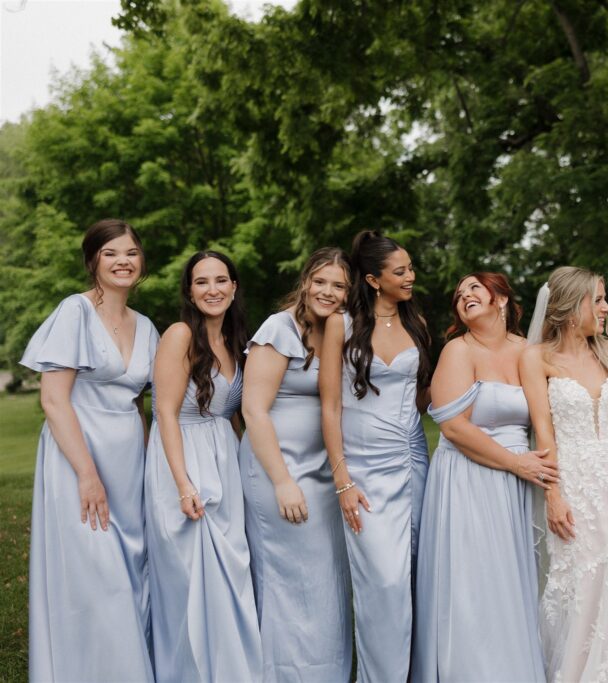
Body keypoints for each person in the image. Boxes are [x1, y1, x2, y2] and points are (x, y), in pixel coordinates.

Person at [20, 219, 158, 681]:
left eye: (131, 253)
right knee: (96, 580)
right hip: (77, 459)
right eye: (111, 253)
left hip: (129, 464)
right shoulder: (74, 312)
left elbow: (139, 405)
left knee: (132, 575)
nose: (123, 262)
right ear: (92, 261)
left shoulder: (147, 327)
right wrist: (87, 474)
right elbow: (53, 400)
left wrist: (149, 470)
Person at [519, 266, 608, 682]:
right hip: (574, 483)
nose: (606, 307)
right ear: (569, 305)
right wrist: (553, 495)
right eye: (597, 299)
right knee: (579, 584)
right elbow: (543, 431)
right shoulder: (536, 358)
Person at [412, 272, 550, 682]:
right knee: (473, 582)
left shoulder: (530, 351)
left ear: (501, 299)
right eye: (459, 294)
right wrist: (515, 463)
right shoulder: (458, 350)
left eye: (474, 288)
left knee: (511, 580)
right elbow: (454, 427)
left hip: (517, 482)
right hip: (468, 477)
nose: (464, 296)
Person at [319, 230, 430, 682]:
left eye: (410, 268)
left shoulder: (417, 324)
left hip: (413, 461)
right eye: (400, 271)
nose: (410, 277)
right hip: (364, 470)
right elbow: (330, 406)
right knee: (383, 582)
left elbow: (424, 397)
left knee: (416, 578)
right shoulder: (340, 325)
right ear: (372, 279)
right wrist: (342, 479)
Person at [146, 251, 260, 681]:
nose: (212, 289)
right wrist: (183, 484)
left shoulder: (235, 341)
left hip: (224, 460)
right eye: (201, 282)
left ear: (233, 287)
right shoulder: (179, 335)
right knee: (191, 578)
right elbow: (165, 412)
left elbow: (236, 414)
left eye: (220, 280)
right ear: (190, 292)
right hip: (182, 460)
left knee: (231, 572)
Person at [239, 248, 353, 680]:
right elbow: (254, 410)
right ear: (305, 282)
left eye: (338, 286)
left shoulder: (338, 329)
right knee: (290, 581)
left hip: (322, 471)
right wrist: (283, 481)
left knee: (325, 580)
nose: (327, 292)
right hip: (278, 469)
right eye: (320, 281)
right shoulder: (278, 328)